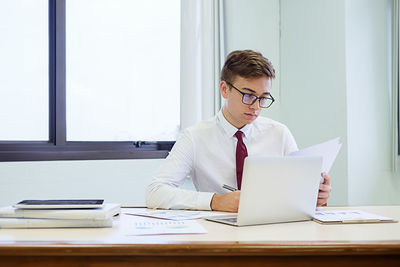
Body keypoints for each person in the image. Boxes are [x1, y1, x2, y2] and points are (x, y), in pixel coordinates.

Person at [146, 49, 332, 212]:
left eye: (263, 98)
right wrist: (215, 201)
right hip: (217, 234)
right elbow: (155, 192)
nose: (255, 106)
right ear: (225, 89)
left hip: (272, 230)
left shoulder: (279, 134)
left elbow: (297, 192)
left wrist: (316, 197)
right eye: (248, 95)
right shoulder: (195, 137)